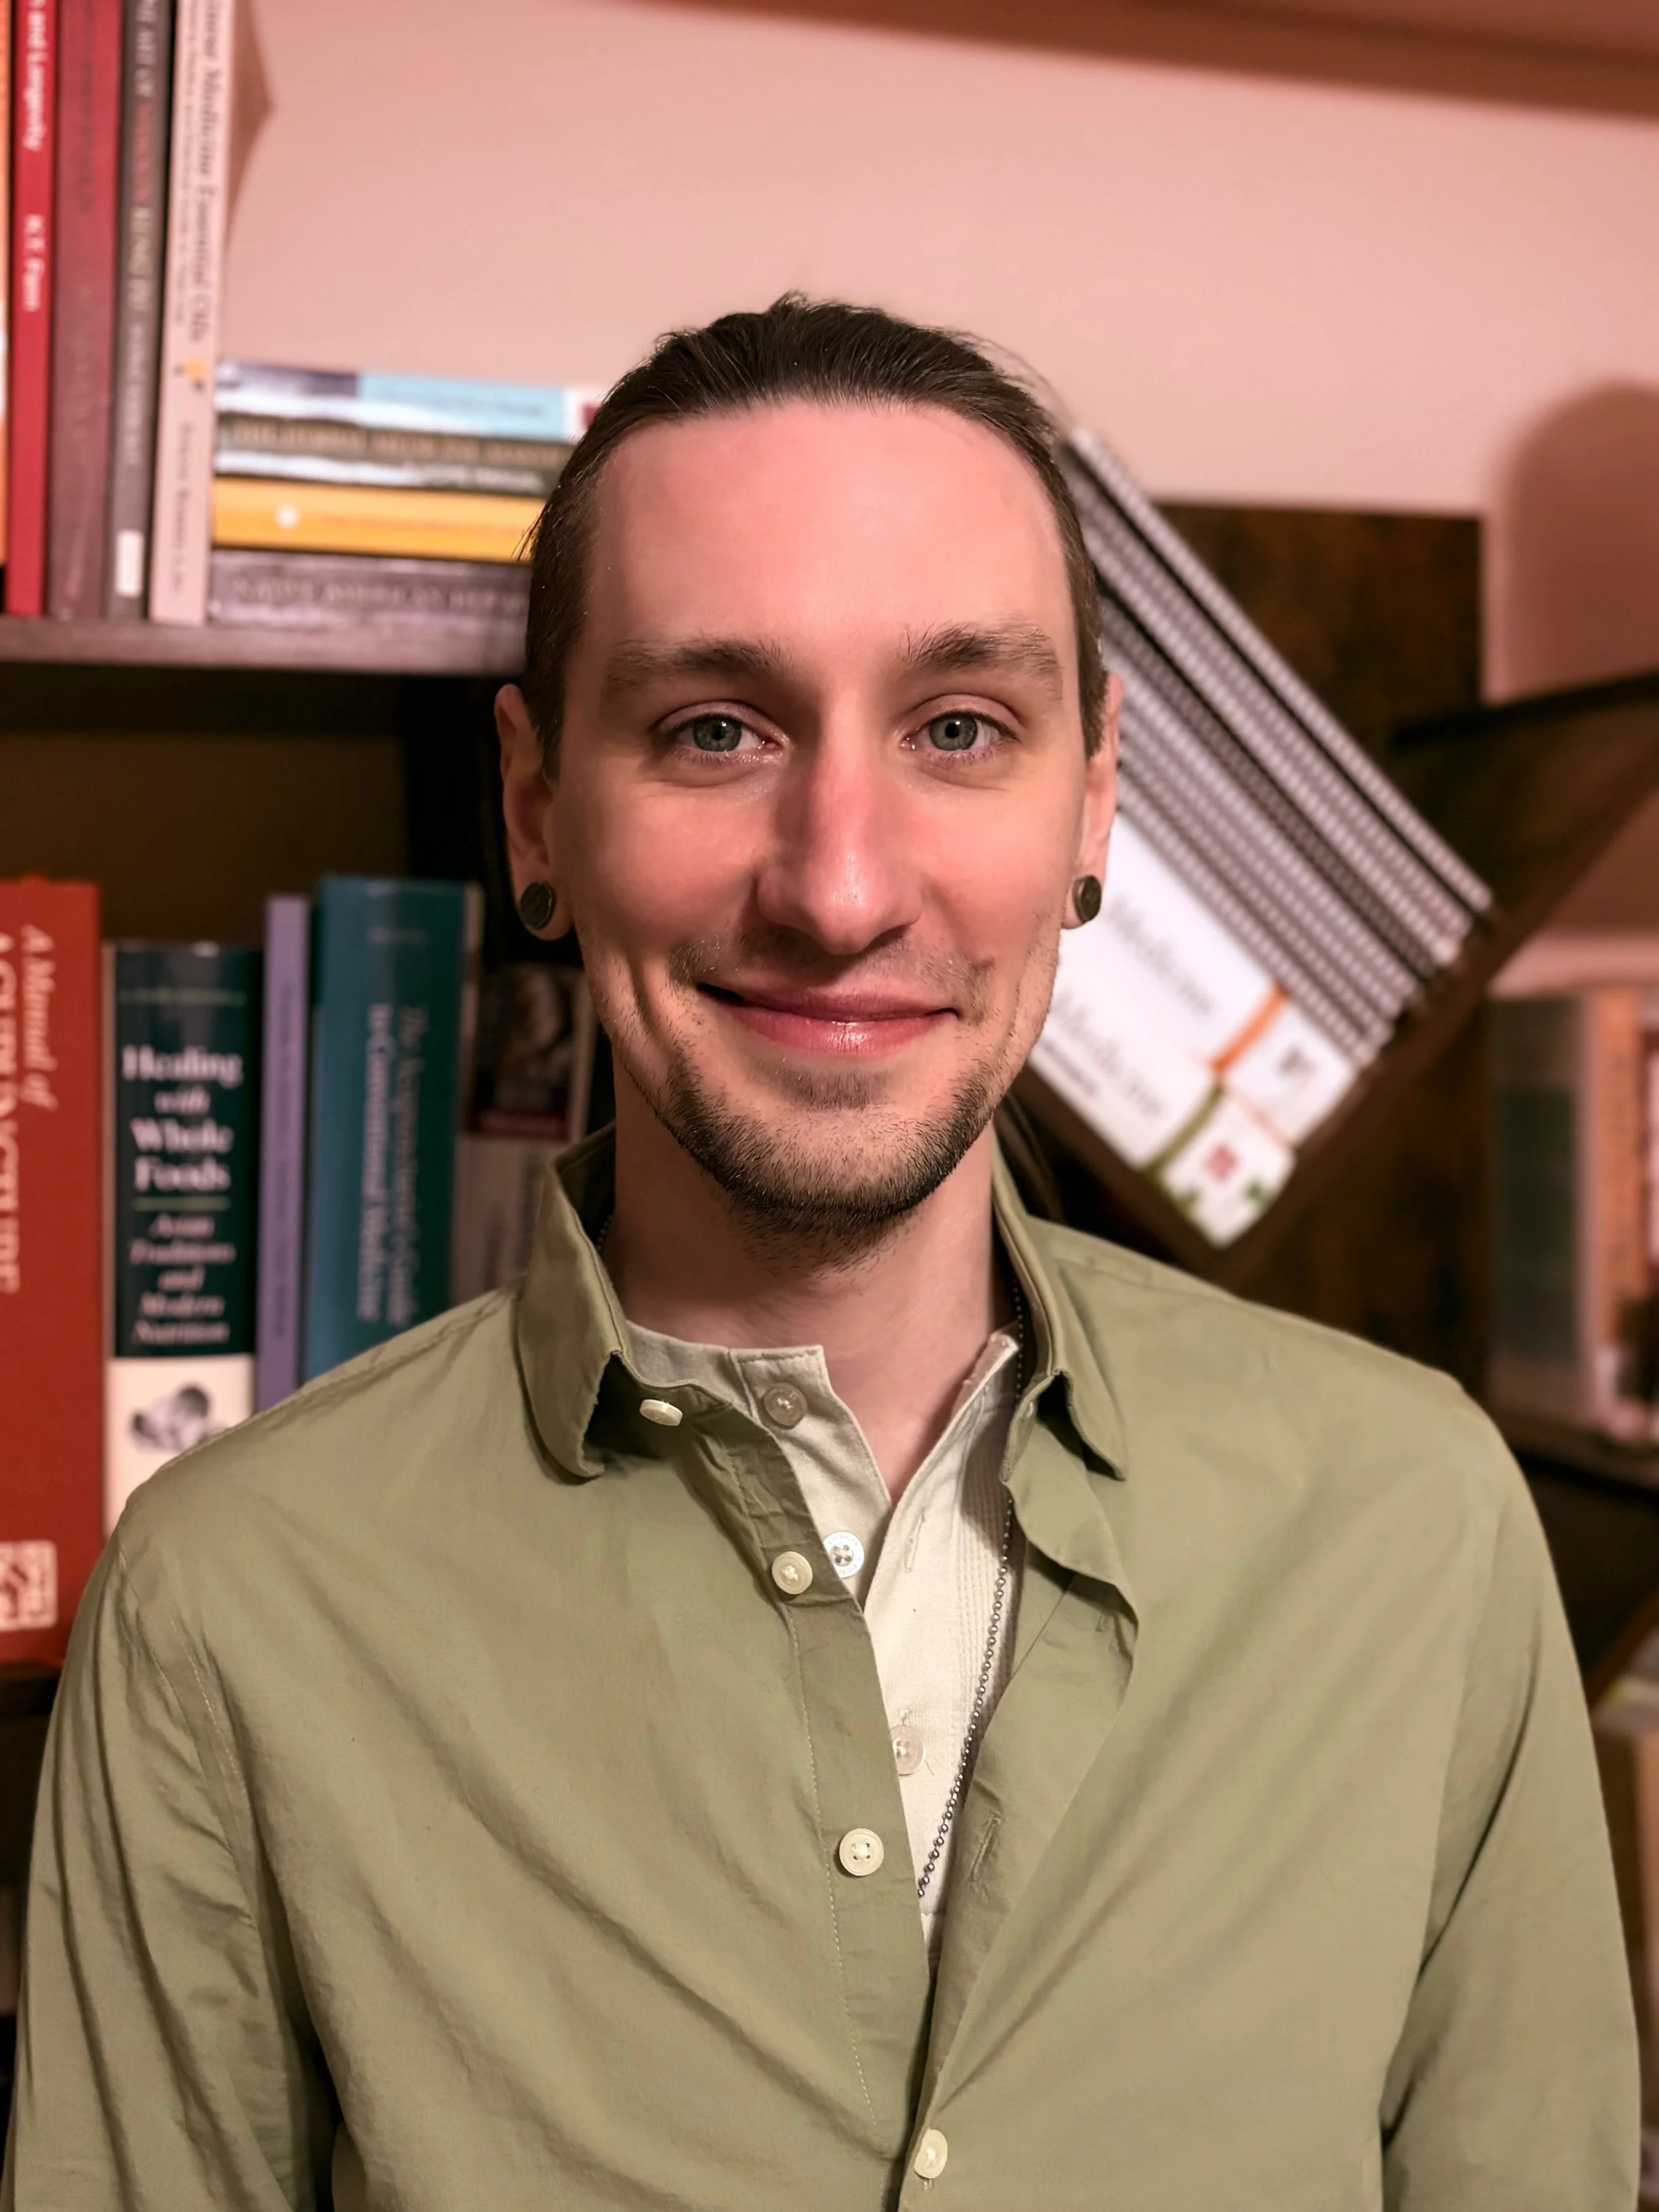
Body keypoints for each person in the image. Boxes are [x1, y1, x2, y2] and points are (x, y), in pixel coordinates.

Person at [5, 298, 1638, 2210]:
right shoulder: (227, 1612)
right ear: (538, 808)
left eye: (960, 728)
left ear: (1092, 795)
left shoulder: (1414, 1523)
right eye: (714, 728)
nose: (841, 883)